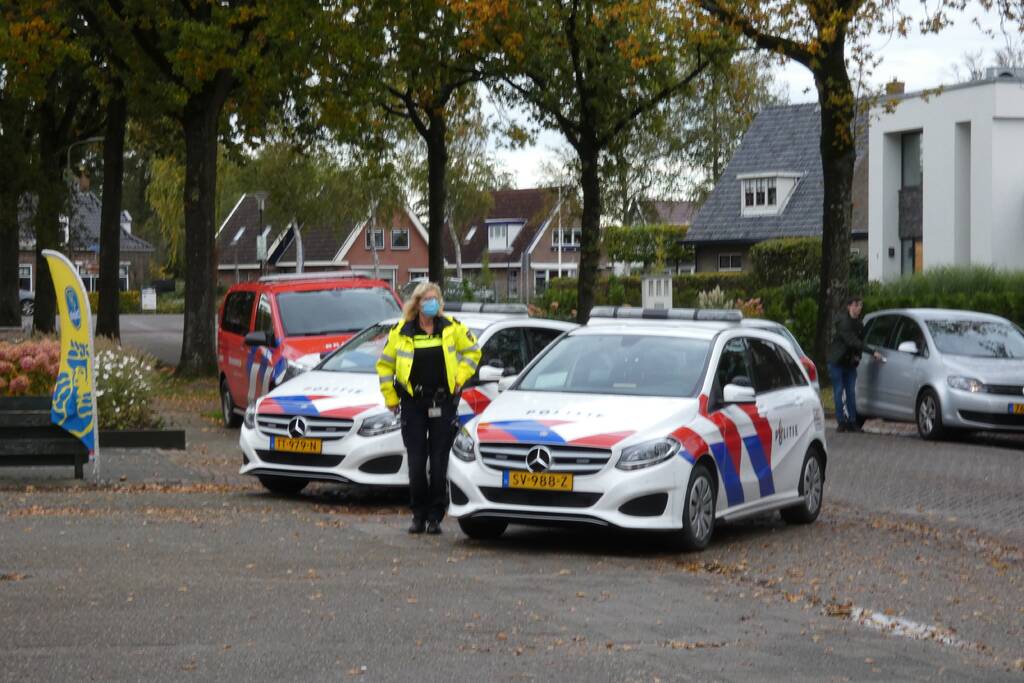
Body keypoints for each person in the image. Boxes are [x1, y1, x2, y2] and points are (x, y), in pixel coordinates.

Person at [376, 282, 481, 534]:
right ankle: (418, 514)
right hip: (413, 404)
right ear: (417, 303)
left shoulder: (452, 328)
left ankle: (435, 516)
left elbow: (473, 352)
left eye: (436, 299)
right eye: (427, 299)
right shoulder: (402, 331)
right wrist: (390, 397)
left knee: (438, 461)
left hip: (442, 403)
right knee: (416, 462)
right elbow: (384, 366)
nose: (432, 304)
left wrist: (460, 377)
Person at [827, 295, 884, 432]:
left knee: (851, 392)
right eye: (856, 305)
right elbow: (853, 341)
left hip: (850, 364)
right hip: (837, 362)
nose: (859, 308)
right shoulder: (843, 322)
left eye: (860, 305)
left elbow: (860, 341)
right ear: (849, 306)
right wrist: (872, 352)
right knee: (839, 391)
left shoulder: (859, 324)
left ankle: (852, 421)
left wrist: (857, 357)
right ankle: (841, 422)